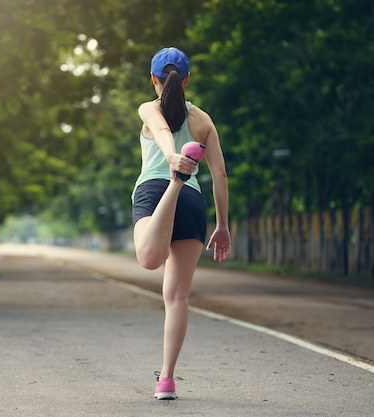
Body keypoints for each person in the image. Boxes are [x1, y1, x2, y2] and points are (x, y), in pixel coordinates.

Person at [131, 47, 231, 400]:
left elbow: (158, 126)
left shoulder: (148, 107)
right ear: (187, 79)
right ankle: (167, 379)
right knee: (177, 297)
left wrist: (171, 158)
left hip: (156, 189)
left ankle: (175, 179)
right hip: (192, 199)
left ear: (153, 79)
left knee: (148, 259)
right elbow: (219, 174)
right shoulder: (203, 120)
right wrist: (222, 225)